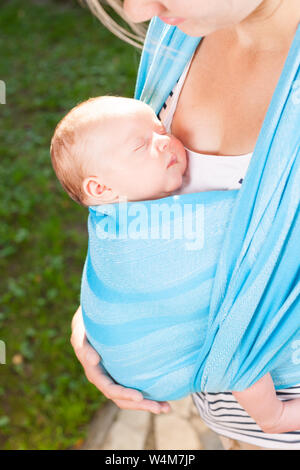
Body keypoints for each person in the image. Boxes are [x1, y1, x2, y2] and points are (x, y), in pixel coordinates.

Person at [70, 0, 300, 449]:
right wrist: (112, 315)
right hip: (229, 419)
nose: (137, 14)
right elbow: (139, 212)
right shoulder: (176, 31)